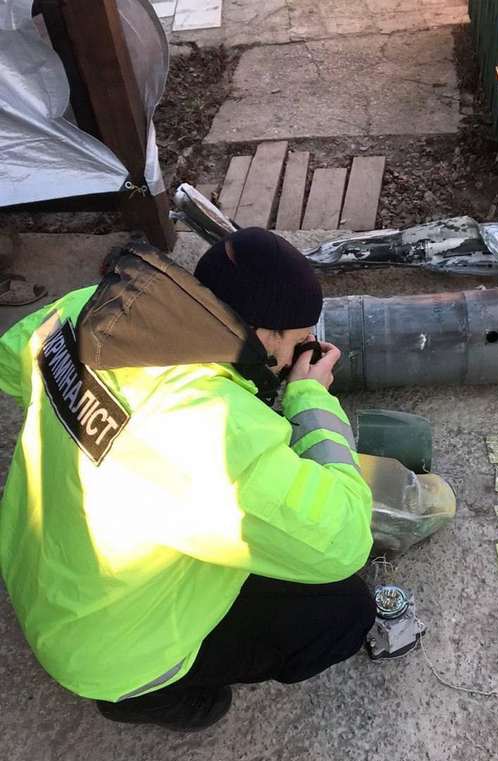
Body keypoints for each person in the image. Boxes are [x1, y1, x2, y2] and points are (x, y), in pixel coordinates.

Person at [0, 228, 375, 731]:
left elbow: (9, 360)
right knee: (344, 610)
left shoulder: (88, 311)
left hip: (41, 575)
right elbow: (344, 538)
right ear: (264, 336)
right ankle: (148, 697)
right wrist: (311, 399)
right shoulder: (213, 431)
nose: (302, 350)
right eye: (299, 339)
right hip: (109, 655)